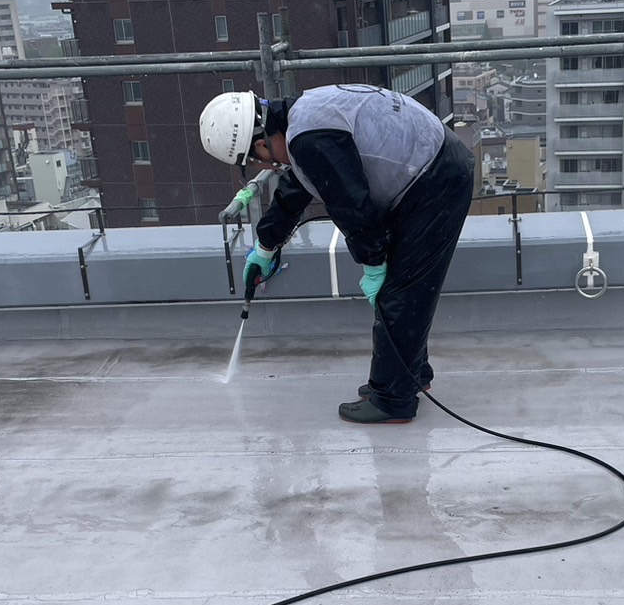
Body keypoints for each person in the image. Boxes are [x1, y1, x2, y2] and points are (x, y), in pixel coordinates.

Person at [199, 84, 475, 424]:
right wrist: (265, 246)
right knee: (400, 288)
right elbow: (298, 186)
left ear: (260, 144)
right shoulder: (302, 118)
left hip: (436, 178)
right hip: (428, 166)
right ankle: (409, 373)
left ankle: (393, 400)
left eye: (259, 161)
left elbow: (351, 205)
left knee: (399, 291)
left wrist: (373, 264)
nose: (268, 166)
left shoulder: (310, 140)